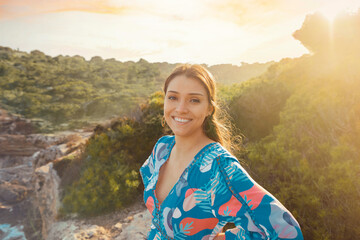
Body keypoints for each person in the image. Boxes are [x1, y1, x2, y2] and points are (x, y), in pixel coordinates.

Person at [139, 64, 304, 240]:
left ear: (209, 108)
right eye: (172, 97)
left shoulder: (218, 166)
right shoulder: (162, 148)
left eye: (194, 100)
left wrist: (221, 238)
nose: (180, 108)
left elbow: (285, 230)